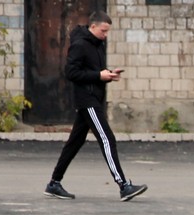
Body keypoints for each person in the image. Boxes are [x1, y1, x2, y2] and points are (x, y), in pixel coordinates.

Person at [44, 11, 147, 202]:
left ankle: (54, 183)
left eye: (107, 32)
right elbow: (71, 72)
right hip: (87, 100)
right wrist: (99, 76)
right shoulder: (80, 45)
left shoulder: (97, 44)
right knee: (107, 138)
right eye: (103, 31)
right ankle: (124, 185)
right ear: (93, 27)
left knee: (74, 143)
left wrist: (108, 74)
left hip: (93, 98)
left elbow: (92, 72)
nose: (105, 35)